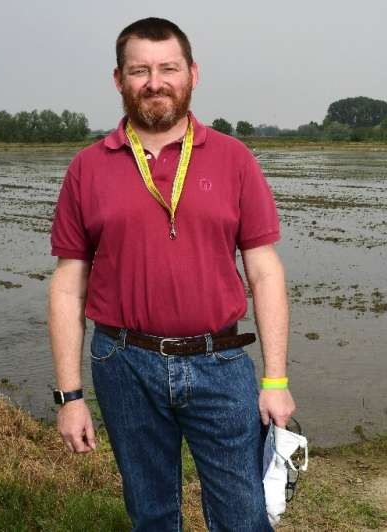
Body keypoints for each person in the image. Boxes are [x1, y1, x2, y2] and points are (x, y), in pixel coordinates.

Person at [48, 17, 294, 531]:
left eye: (168, 68)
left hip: (220, 361)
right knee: (152, 513)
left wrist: (275, 380)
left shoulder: (235, 159)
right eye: (140, 70)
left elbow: (265, 272)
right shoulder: (87, 167)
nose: (155, 82)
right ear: (119, 79)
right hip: (123, 362)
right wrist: (70, 398)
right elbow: (69, 284)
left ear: (193, 74)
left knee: (243, 516)